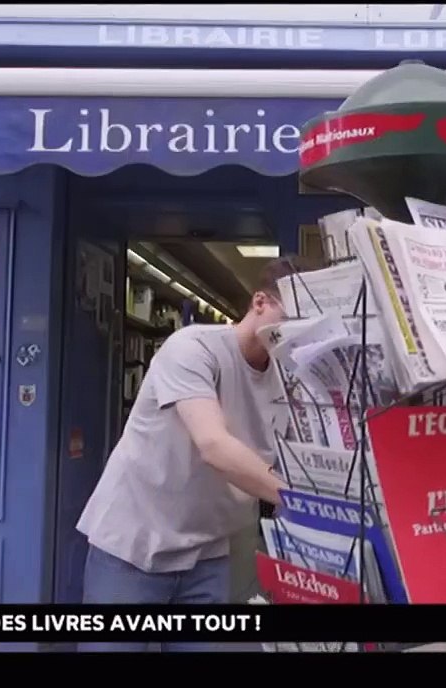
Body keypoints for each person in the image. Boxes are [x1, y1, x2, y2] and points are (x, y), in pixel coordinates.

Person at [76, 258, 295, 652]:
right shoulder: (192, 347)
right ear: (260, 303)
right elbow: (213, 444)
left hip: (207, 554)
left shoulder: (290, 376)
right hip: (134, 545)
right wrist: (301, 502)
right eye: (291, 319)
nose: (295, 335)